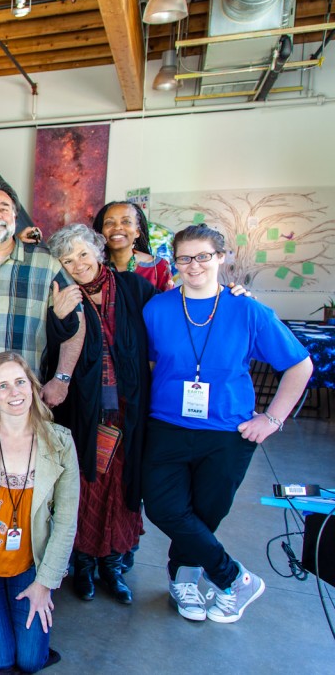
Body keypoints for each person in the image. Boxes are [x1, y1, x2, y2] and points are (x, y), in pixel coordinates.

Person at [142, 224, 312, 623]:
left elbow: (299, 365)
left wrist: (271, 419)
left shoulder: (247, 309)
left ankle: (183, 578)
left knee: (205, 513)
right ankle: (235, 579)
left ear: (221, 258)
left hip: (228, 434)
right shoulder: (157, 308)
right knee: (164, 509)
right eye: (185, 258)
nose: (194, 265)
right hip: (166, 426)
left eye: (203, 256)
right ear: (175, 263)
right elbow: (151, 364)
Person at [45, 224, 156, 605]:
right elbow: (51, 346)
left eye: (82, 253)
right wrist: (59, 318)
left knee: (123, 489)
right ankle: (85, 565)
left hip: (129, 410)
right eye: (67, 258)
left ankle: (114, 564)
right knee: (86, 486)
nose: (77, 263)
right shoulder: (60, 295)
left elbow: (169, 322)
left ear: (98, 251)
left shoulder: (135, 289)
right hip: (84, 409)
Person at [0, 352, 79, 672]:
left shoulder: (61, 443)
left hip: (29, 564)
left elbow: (68, 520)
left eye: (20, 382)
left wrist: (45, 584)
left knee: (31, 660)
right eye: (2, 386)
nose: (14, 392)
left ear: (32, 386)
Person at [0, 180, 84, 416]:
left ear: (15, 217)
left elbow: (77, 322)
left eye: (4, 208)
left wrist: (61, 379)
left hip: (22, 406)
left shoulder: (46, 263)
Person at [93, 201, 172, 291]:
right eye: (109, 223)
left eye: (126, 221)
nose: (117, 227)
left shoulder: (158, 267)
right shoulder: (92, 267)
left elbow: (169, 302)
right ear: (101, 232)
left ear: (137, 231)